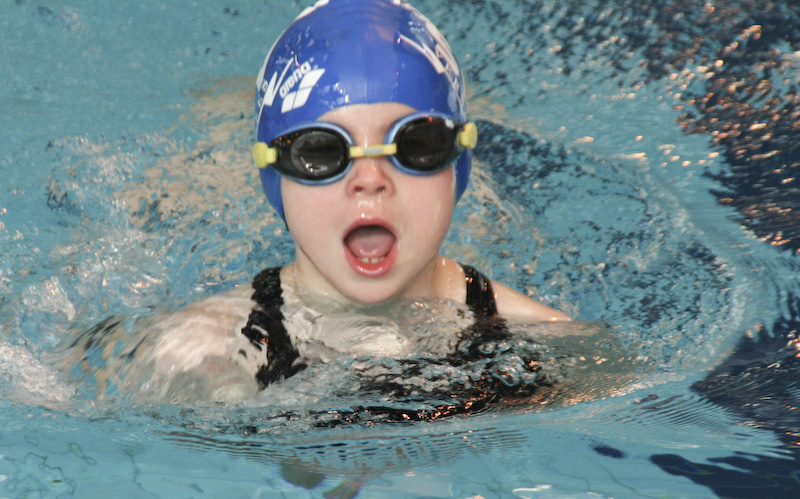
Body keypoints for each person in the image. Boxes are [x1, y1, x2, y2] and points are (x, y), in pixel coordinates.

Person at [69, 0, 570, 406]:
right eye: (321, 153)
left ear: (458, 168)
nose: (370, 180)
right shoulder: (212, 345)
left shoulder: (548, 341)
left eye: (416, 145)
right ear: (275, 182)